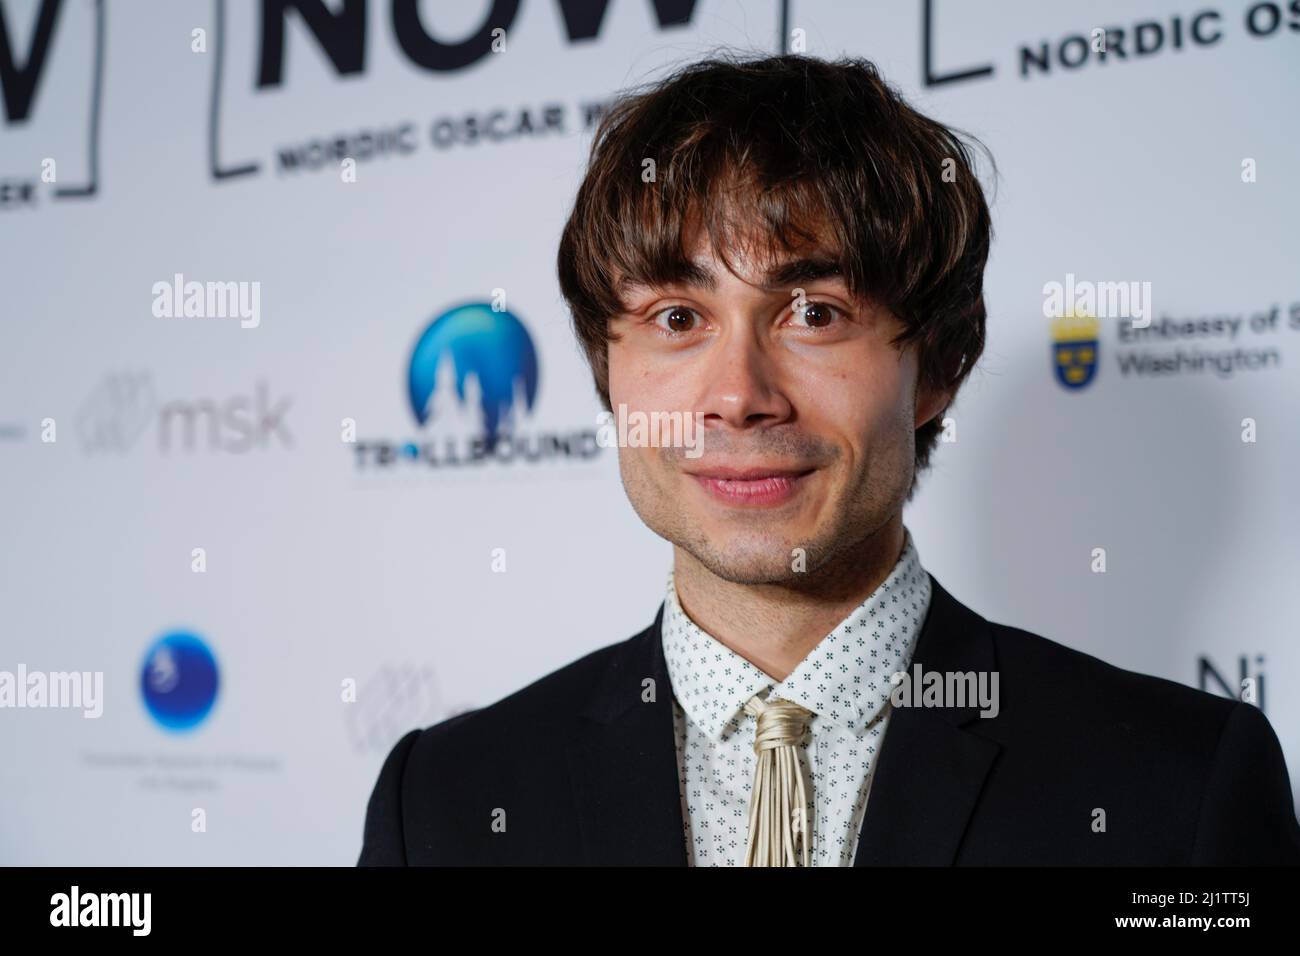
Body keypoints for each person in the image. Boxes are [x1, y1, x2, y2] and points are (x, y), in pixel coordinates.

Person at [357, 52, 1300, 866]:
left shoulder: (1177, 787)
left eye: (815, 314)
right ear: (610, 370)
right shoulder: (442, 803)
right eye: (677, 319)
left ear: (935, 368)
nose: (738, 393)